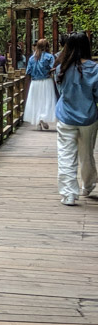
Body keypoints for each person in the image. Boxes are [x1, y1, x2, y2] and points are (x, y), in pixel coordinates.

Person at [53, 32, 98, 206]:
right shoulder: (94, 69)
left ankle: (68, 194)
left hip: (66, 116)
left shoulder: (61, 68)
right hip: (88, 117)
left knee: (65, 155)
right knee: (87, 154)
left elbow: (61, 91)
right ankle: (87, 185)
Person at [23, 38, 56, 130]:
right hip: (46, 81)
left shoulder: (32, 58)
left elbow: (28, 71)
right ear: (47, 46)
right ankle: (43, 118)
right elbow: (53, 68)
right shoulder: (49, 57)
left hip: (35, 83)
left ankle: (37, 122)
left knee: (36, 101)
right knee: (46, 101)